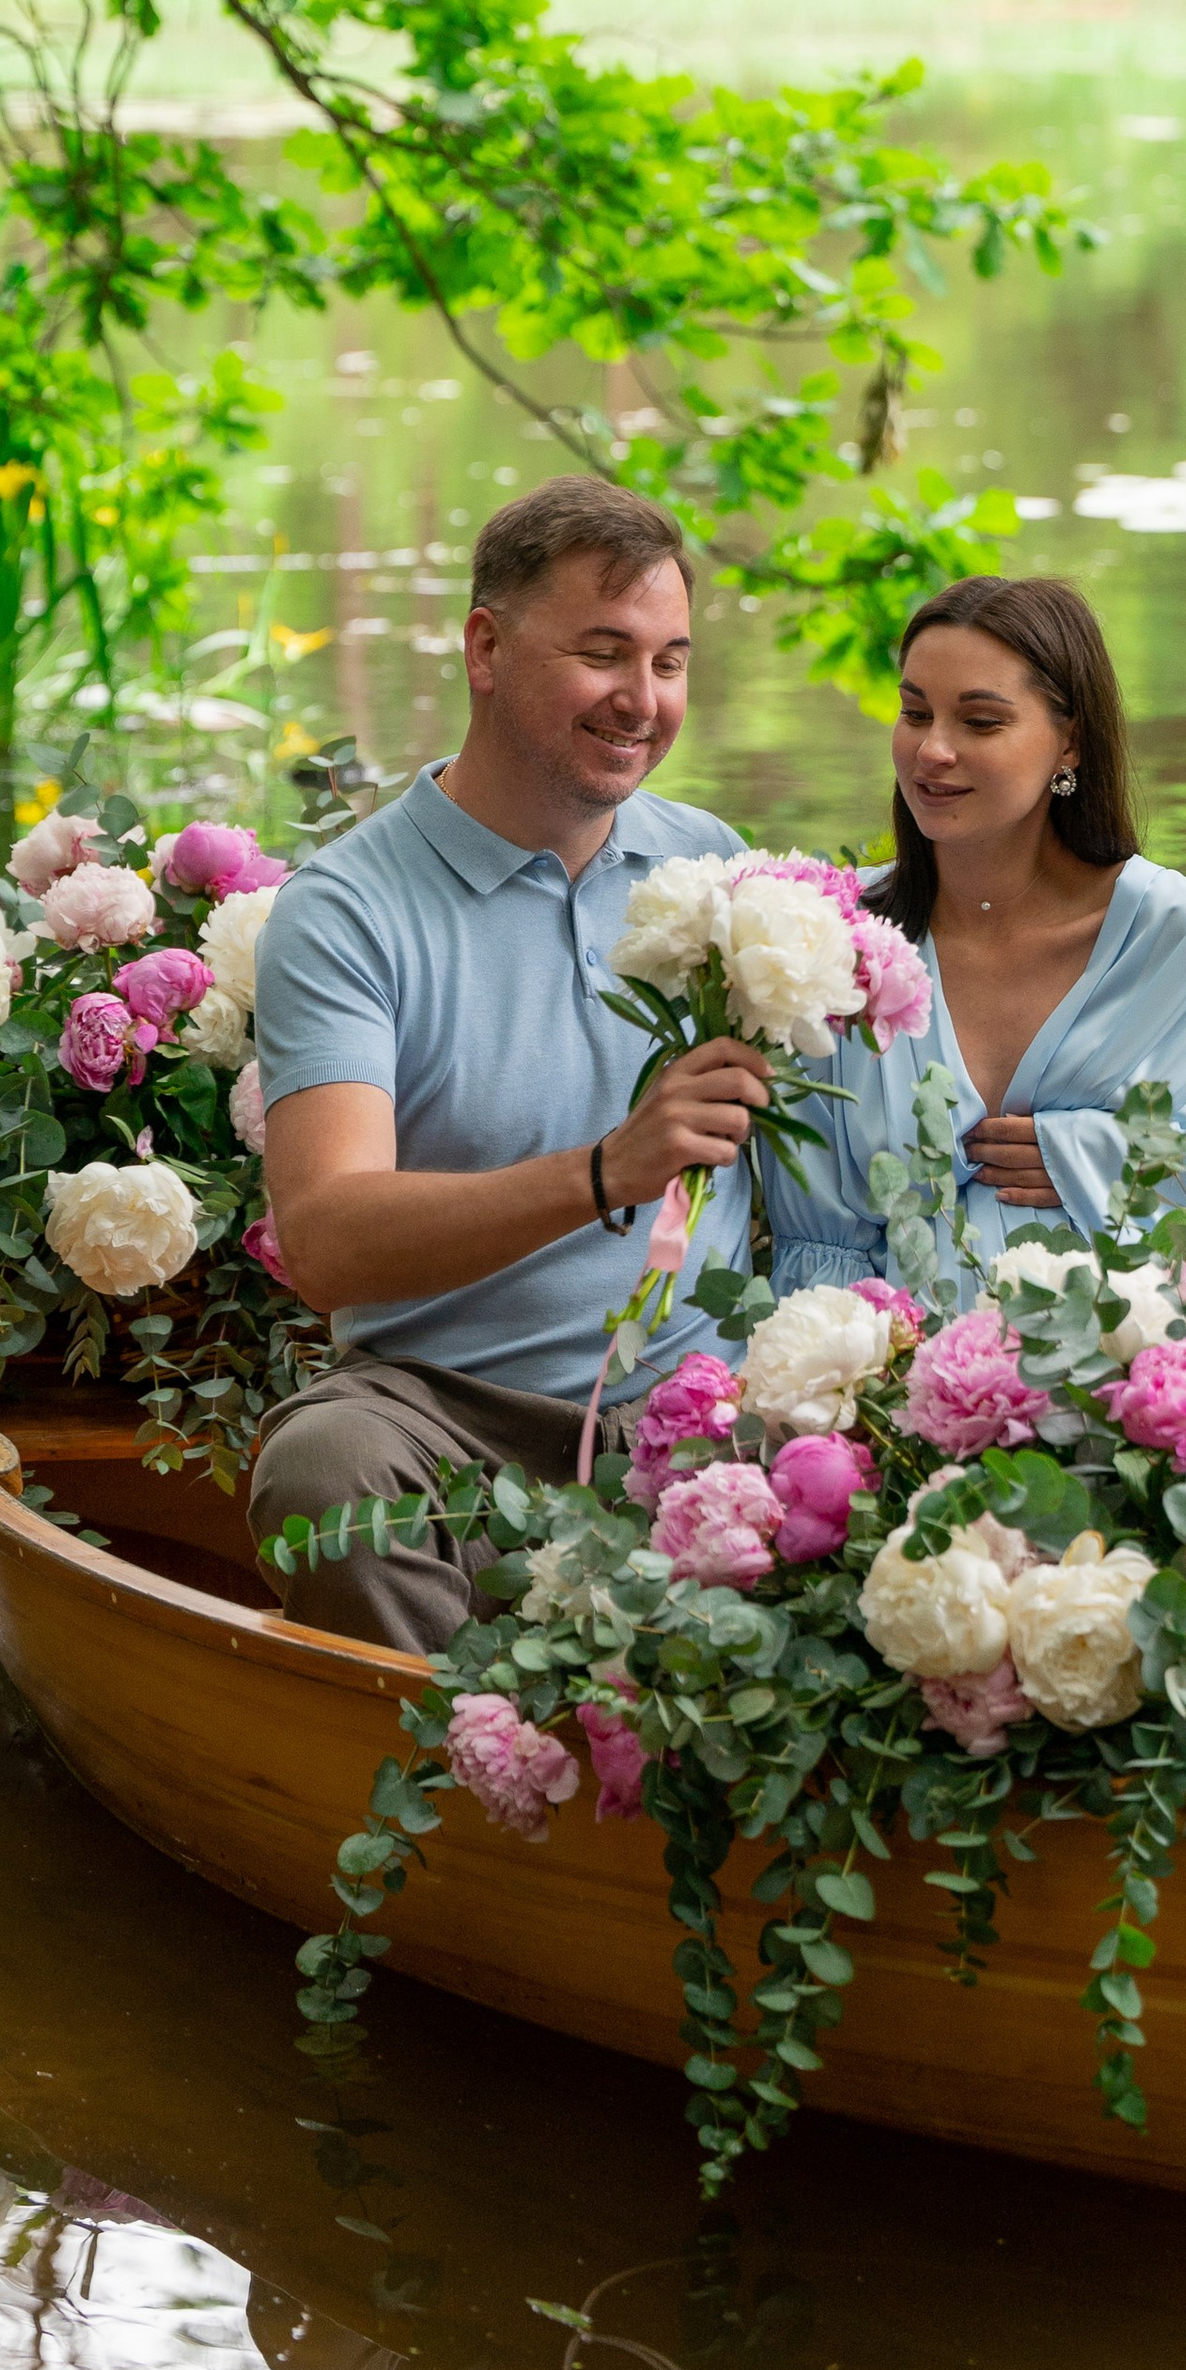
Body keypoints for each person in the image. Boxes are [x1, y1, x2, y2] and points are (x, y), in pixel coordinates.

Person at [249, 475, 770, 1648]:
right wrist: (604, 1172)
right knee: (322, 1476)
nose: (643, 699)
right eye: (603, 652)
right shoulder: (347, 910)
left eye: (671, 661)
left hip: (703, 1415)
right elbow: (326, 1239)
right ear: (486, 646)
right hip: (447, 1421)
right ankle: (460, 1775)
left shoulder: (717, 867)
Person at [764, 574, 1186, 1295]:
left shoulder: (1183, 947)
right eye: (915, 713)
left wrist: (1113, 1162)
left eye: (980, 722)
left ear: (1070, 743)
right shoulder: (820, 936)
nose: (931, 751)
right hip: (840, 1385)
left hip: (1113, 1392)